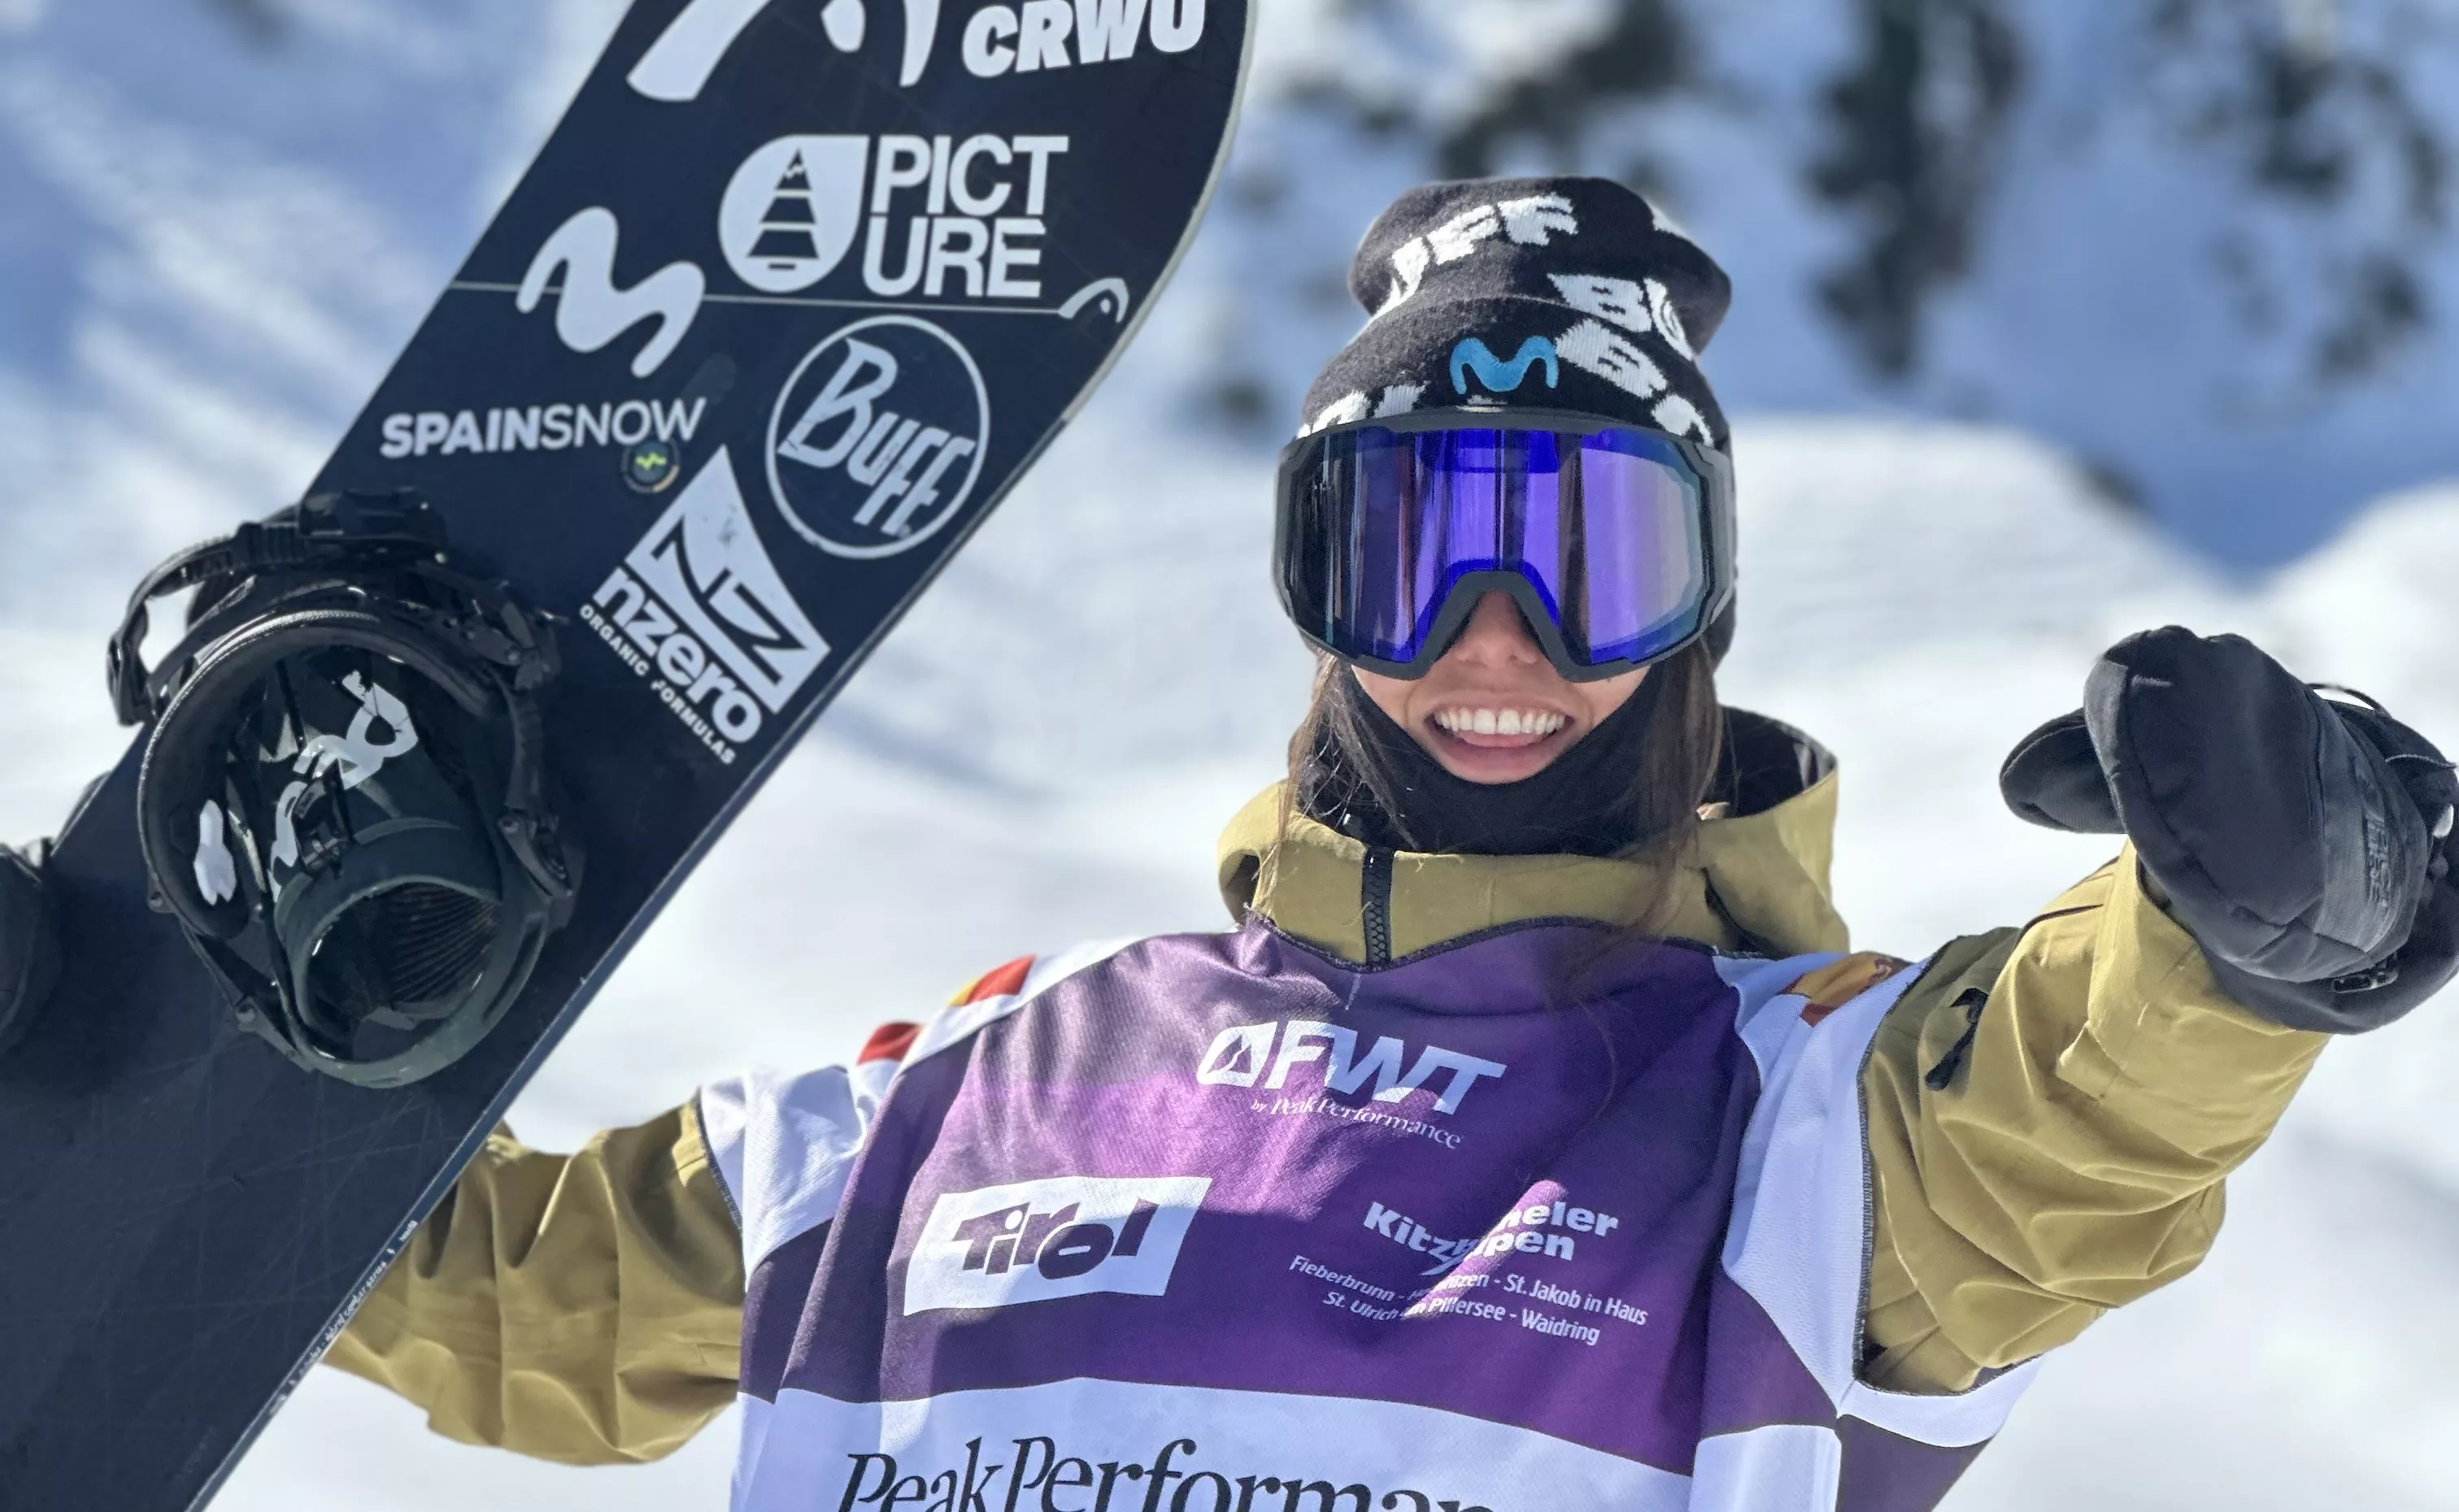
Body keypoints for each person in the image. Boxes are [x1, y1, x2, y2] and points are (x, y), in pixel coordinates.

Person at [15, 176, 2454, 1510]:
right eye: (1414, 549)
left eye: (1588, 552)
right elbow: (524, 1306)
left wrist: (2258, 930)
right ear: (1312, 583)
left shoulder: (1806, 1123)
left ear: (1702, 602)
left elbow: (2073, 1111)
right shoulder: (985, 1083)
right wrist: (164, 1055)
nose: (1497, 638)